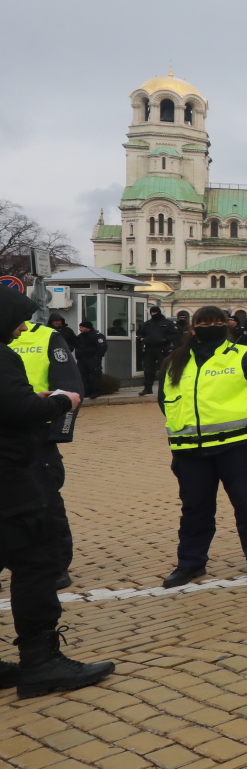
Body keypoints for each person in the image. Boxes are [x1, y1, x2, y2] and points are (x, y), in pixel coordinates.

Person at [0, 289, 111, 699]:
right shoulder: (2, 355)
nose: (20, 329)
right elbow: (17, 410)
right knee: (36, 560)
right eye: (16, 320)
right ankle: (41, 661)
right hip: (10, 480)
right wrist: (60, 402)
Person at [157, 305, 247, 587]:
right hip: (190, 450)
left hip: (239, 447)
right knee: (195, 510)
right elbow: (165, 403)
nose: (209, 326)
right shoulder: (174, 362)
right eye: (203, 322)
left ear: (227, 325)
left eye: (216, 321)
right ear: (192, 328)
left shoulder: (246, 357)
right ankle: (190, 564)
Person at [11, 314, 83, 590]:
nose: (21, 328)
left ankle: (55, 565)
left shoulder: (46, 336)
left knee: (44, 501)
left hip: (36, 436)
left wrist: (58, 432)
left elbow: (70, 389)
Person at [136, 307, 176, 395]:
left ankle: (165, 388)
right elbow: (139, 334)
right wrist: (142, 339)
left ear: (159, 312)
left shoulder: (168, 323)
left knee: (164, 369)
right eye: (152, 312)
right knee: (148, 370)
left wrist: (165, 340)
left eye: (155, 312)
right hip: (149, 349)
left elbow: (175, 335)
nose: (153, 314)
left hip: (163, 349)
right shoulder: (147, 324)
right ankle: (148, 388)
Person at [74, 321, 107, 398]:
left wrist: (97, 358)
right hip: (82, 360)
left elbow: (102, 347)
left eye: (82, 327)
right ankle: (86, 391)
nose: (80, 329)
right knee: (83, 376)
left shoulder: (97, 336)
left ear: (88, 328)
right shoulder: (80, 336)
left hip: (92, 359)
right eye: (80, 327)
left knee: (95, 375)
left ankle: (96, 391)